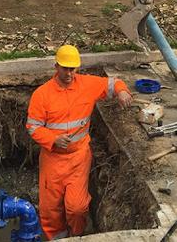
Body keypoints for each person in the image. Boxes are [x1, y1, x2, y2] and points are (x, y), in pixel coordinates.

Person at [26, 45, 132, 240]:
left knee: (77, 207)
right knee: (51, 208)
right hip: (52, 160)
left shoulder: (86, 85)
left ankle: (76, 236)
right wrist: (53, 139)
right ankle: (57, 238)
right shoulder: (42, 95)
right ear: (56, 66)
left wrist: (122, 91)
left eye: (73, 69)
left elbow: (113, 83)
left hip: (78, 158)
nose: (69, 73)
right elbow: (33, 127)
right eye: (65, 68)